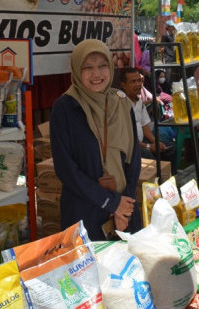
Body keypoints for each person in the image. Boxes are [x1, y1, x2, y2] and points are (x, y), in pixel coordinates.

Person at [50, 40, 141, 240]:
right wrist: (111, 202)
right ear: (76, 70)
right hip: (83, 214)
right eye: (88, 68)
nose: (97, 74)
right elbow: (66, 170)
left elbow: (134, 158)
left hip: (124, 213)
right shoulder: (64, 108)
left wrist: (123, 206)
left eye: (102, 66)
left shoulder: (122, 102)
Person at [119, 68, 177, 174]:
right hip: (129, 147)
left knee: (170, 148)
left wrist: (156, 142)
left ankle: (171, 181)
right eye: (133, 82)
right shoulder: (120, 104)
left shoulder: (139, 102)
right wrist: (149, 147)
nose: (138, 84)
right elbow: (127, 139)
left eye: (139, 81)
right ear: (123, 85)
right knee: (149, 157)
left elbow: (145, 127)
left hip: (142, 142)